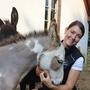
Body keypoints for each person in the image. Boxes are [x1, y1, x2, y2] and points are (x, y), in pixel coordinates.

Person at [39, 20, 85, 90]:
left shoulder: (78, 58)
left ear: (79, 39)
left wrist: (51, 86)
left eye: (78, 36)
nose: (73, 37)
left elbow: (69, 87)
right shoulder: (52, 46)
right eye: (72, 32)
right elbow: (37, 70)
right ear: (66, 30)